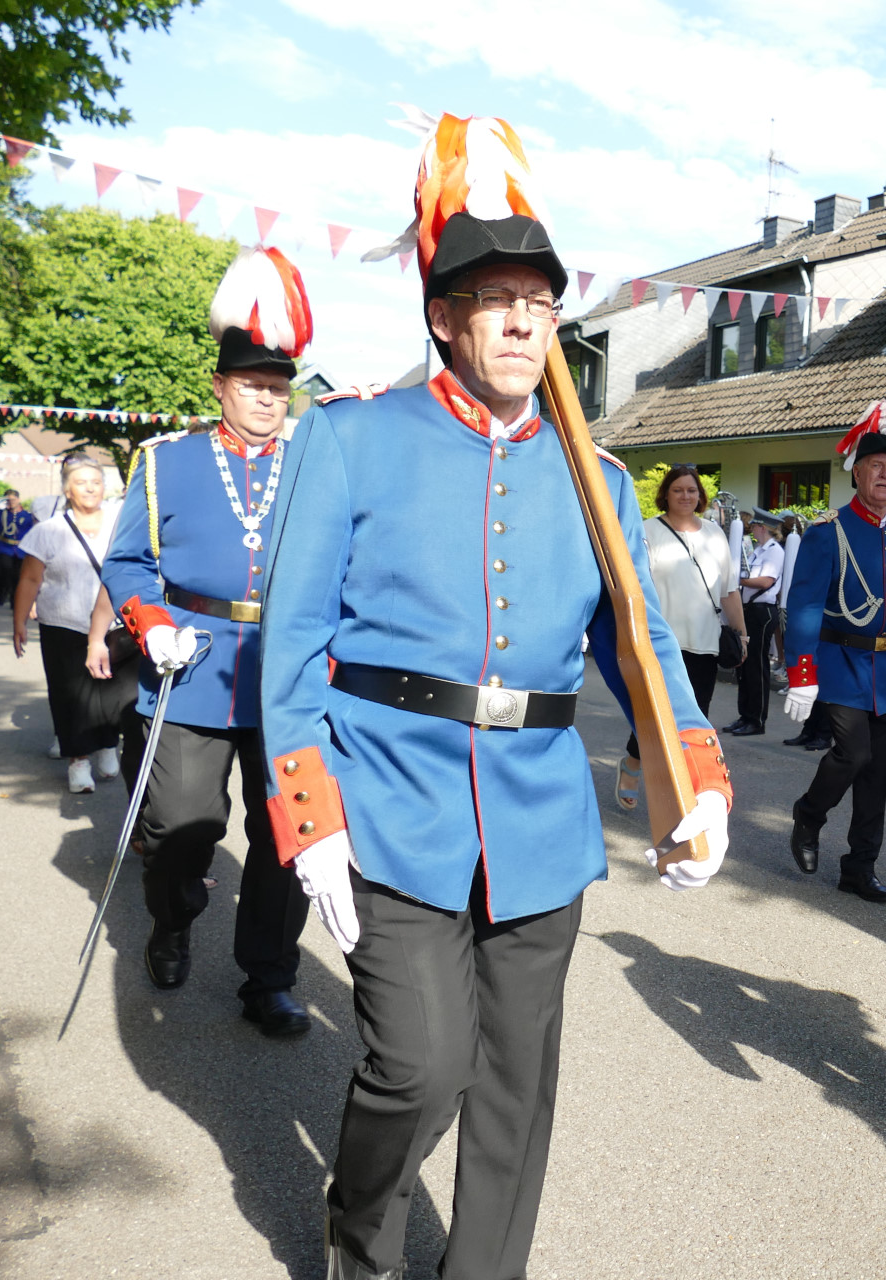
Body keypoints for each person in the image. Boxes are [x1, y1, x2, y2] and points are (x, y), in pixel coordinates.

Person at [258, 125, 732, 1278]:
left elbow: (640, 643)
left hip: (538, 816)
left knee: (517, 1081)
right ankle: (359, 1230)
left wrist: (698, 773)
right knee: (420, 1065)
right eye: (494, 298)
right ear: (443, 316)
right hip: (392, 800)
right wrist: (308, 814)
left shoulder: (599, 476)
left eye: (539, 300)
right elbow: (293, 641)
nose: (523, 321)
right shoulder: (351, 435)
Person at [99, 248, 316, 1035]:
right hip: (188, 674)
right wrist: (151, 622)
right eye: (253, 385)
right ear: (220, 385)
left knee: (288, 835)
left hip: (288, 676)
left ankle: (269, 977)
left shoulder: (313, 466)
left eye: (279, 387)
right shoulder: (166, 462)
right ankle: (173, 917)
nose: (268, 399)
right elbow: (127, 561)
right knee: (180, 829)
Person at [783, 398, 886, 903]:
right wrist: (801, 674)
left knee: (877, 772)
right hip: (841, 664)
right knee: (853, 754)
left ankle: (860, 866)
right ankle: (809, 815)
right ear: (857, 472)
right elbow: (804, 605)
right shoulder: (828, 531)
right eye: (877, 465)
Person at [615, 463, 747, 808]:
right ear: (666, 494)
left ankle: (684, 789)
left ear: (700, 495)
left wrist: (742, 635)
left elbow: (729, 591)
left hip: (704, 642)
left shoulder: (715, 535)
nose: (685, 496)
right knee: (653, 715)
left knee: (694, 717)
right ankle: (633, 763)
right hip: (661, 643)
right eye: (678, 490)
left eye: (691, 490)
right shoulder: (647, 531)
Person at [12, 456, 132, 792]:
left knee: (112, 691)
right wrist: (19, 621)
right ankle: (78, 760)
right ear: (67, 490)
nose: (90, 488)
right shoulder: (48, 531)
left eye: (96, 482)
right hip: (63, 621)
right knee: (70, 695)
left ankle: (107, 743)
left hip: (114, 624)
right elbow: (30, 578)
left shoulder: (122, 523)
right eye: (81, 482)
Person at [728, 508, 785, 736]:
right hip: (750, 610)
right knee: (745, 666)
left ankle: (757, 720)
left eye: (754, 526)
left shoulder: (774, 551)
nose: (751, 529)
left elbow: (765, 581)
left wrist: (738, 579)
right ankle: (745, 715)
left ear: (762, 527)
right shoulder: (758, 551)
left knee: (757, 667)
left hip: (762, 611)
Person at [0, 489, 36, 607]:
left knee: (17, 576)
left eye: (13, 500)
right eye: (8, 500)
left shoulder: (27, 516)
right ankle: (2, 589)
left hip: (21, 550)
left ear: (18, 500)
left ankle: (15, 600)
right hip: (4, 548)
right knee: (5, 569)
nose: (11, 502)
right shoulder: (0, 514)